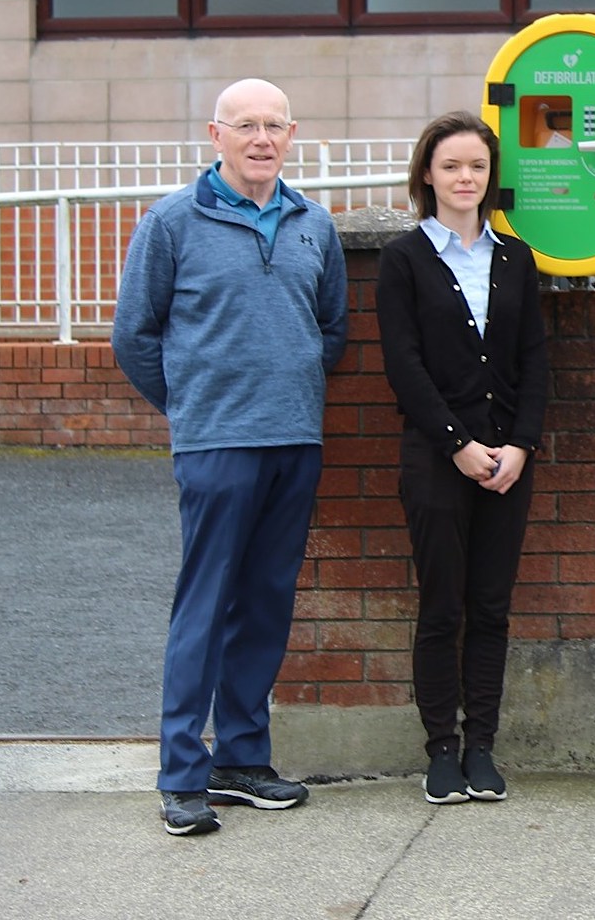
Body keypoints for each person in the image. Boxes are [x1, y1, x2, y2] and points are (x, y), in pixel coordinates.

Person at [112, 78, 349, 837]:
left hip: (293, 440)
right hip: (216, 442)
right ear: (214, 135)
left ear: (292, 133)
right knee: (205, 606)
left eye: (273, 125)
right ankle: (182, 773)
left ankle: (241, 758)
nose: (260, 139)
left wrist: (293, 387)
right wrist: (190, 406)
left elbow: (331, 329)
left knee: (266, 604)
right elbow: (134, 335)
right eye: (244, 125)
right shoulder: (173, 222)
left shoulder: (314, 223)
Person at [376, 112, 548, 807]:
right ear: (427, 174)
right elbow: (403, 365)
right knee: (441, 608)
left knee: (491, 608)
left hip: (507, 461)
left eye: (476, 165)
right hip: (436, 459)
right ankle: (440, 753)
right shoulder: (403, 259)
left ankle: (481, 747)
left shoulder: (516, 258)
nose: (465, 178)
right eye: (451, 165)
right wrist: (457, 443)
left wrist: (519, 444)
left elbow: (533, 360)